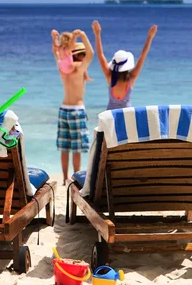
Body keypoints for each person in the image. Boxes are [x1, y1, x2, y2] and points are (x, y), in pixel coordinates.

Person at [52, 29, 94, 186]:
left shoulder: (63, 68)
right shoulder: (79, 68)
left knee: (65, 147)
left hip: (63, 109)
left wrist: (55, 40)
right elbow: (92, 54)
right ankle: (75, 179)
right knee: (76, 148)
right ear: (78, 55)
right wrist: (83, 35)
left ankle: (64, 179)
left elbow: (57, 54)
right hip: (76, 110)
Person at [91, 20, 157, 110]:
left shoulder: (109, 77)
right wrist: (150, 37)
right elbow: (142, 56)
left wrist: (97, 34)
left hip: (110, 115)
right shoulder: (131, 78)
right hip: (127, 116)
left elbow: (100, 54)